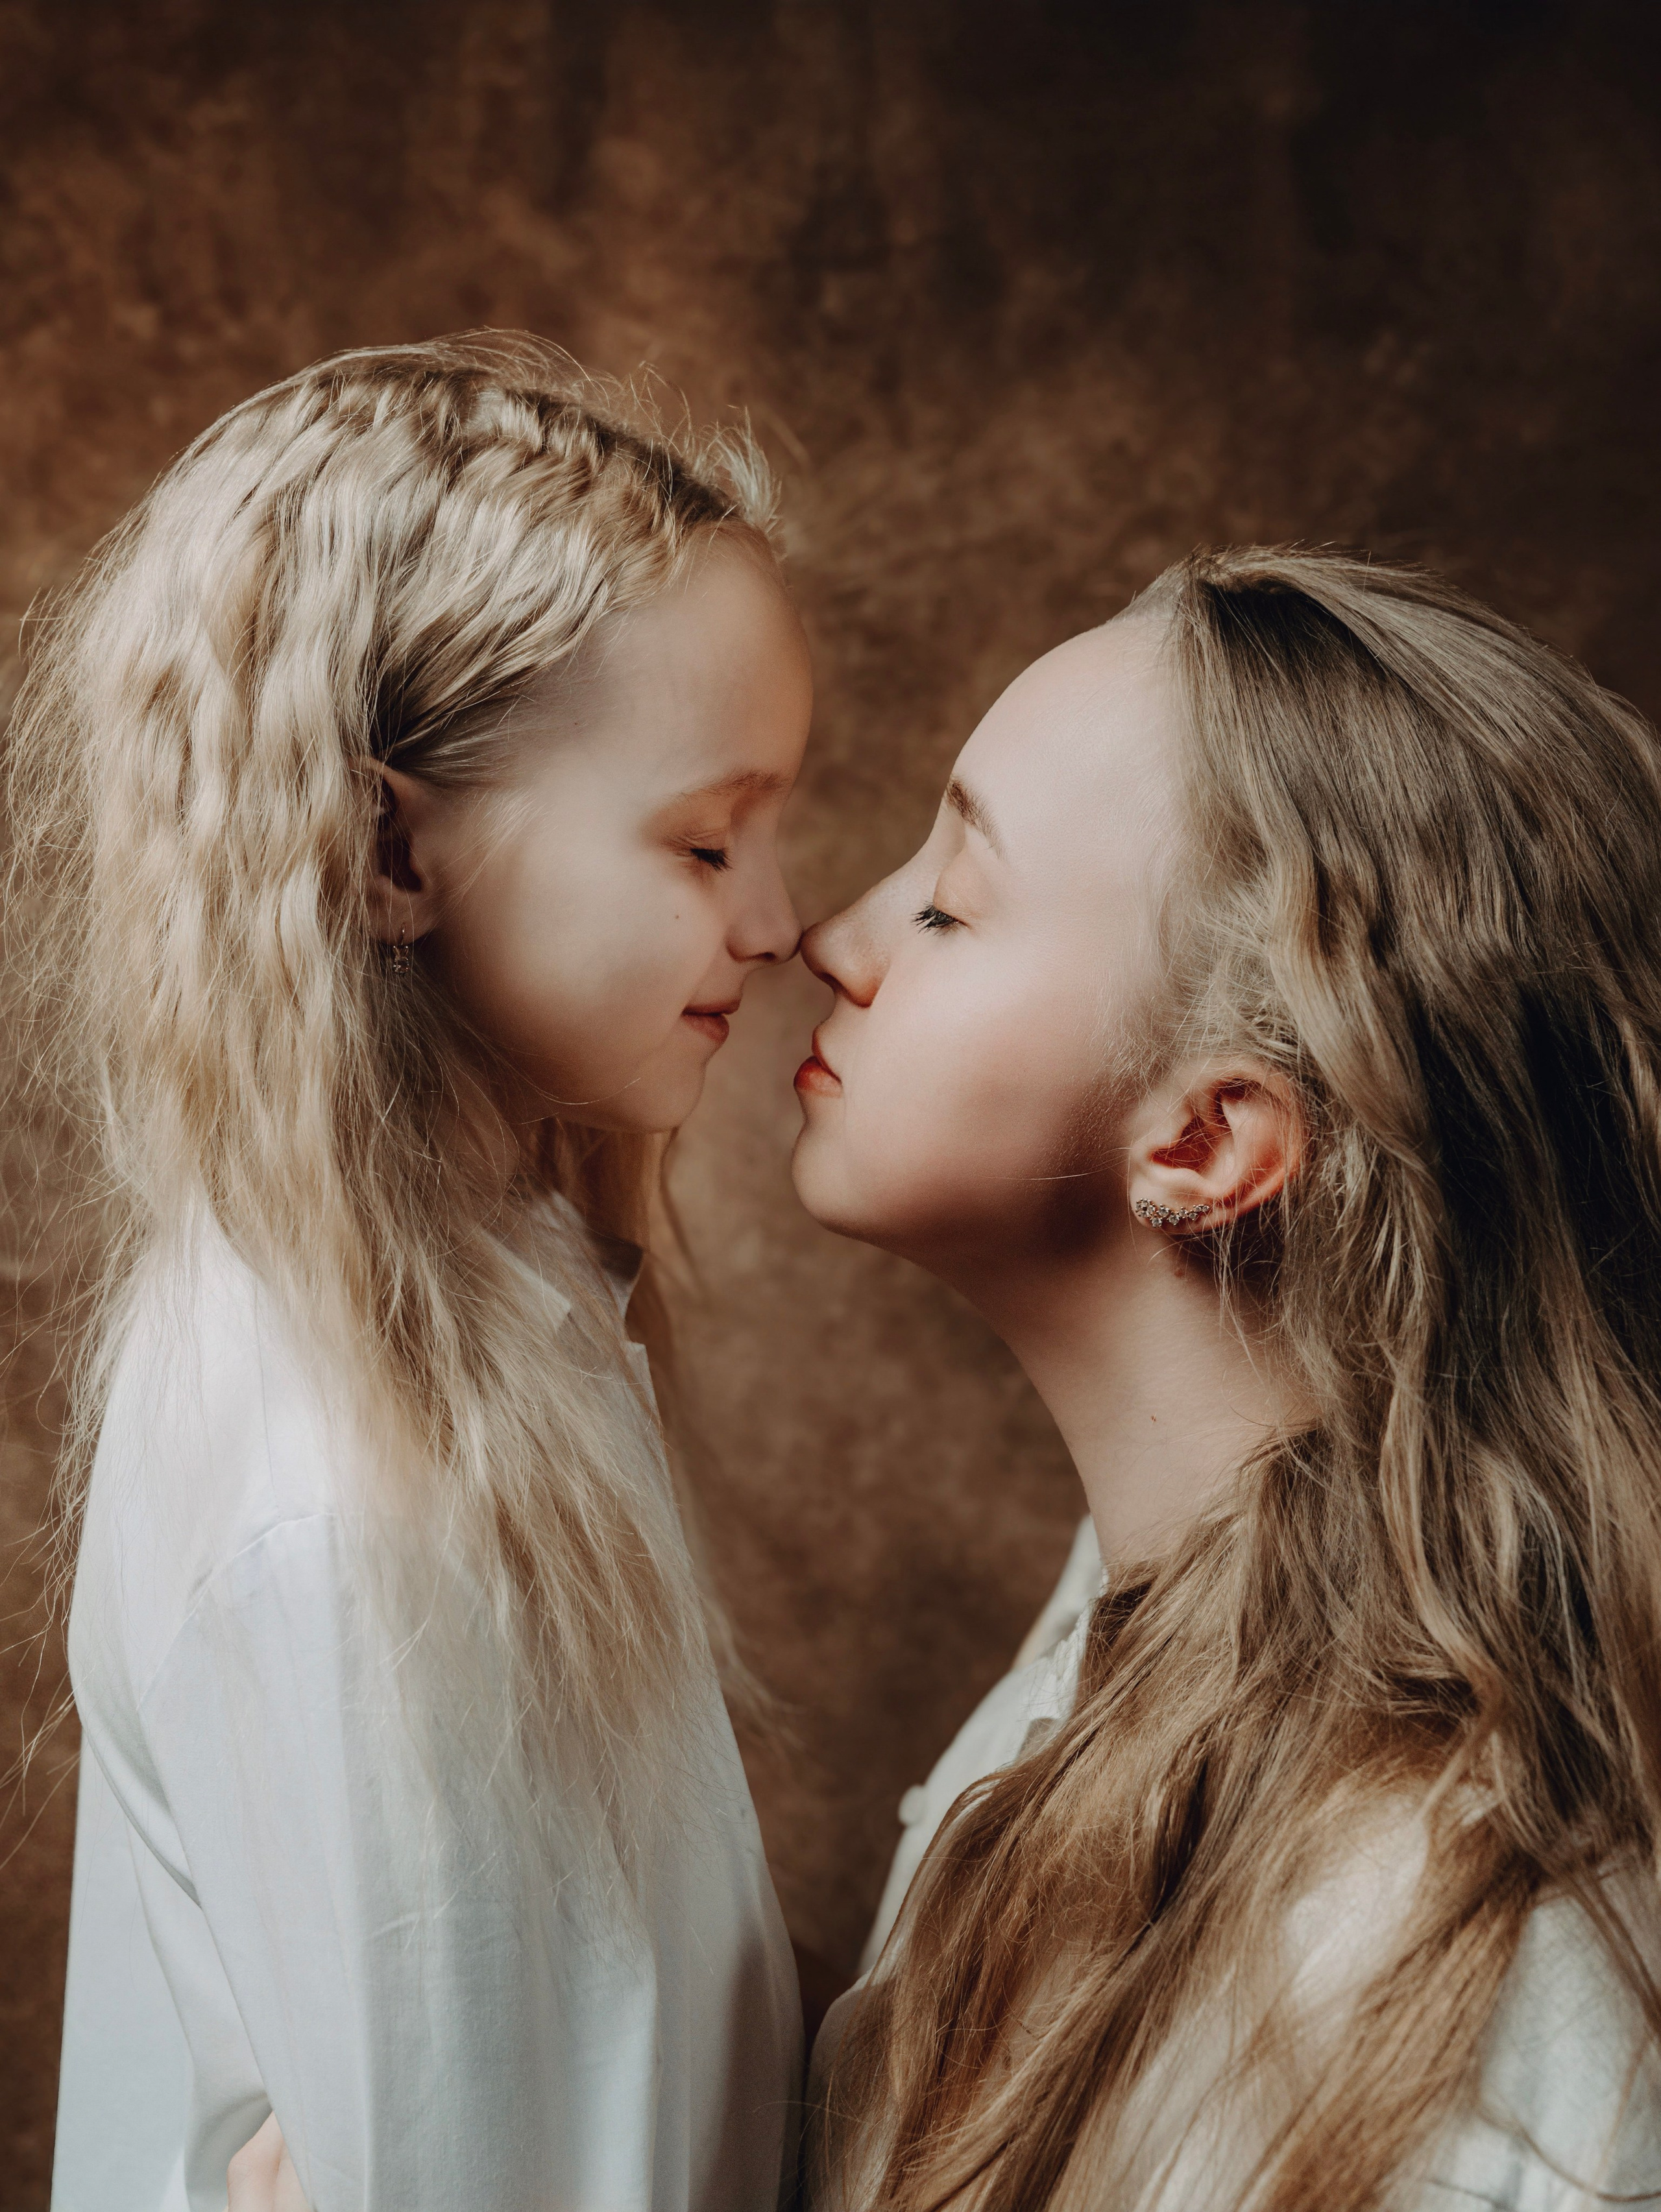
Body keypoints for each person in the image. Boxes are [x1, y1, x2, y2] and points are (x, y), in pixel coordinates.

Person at [15, 336, 813, 2212]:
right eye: (706, 839)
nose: (778, 923)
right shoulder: (352, 1495)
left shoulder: (492, 1307)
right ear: (389, 846)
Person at [791, 547, 1661, 2207]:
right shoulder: (1094, 1666)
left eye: (947, 904)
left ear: (1203, 1140)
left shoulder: (1448, 1969)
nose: (829, 936)